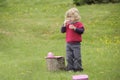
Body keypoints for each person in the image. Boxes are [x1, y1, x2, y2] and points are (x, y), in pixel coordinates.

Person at [61, 8, 85, 72]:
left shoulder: (79, 24)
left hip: (76, 44)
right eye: (68, 17)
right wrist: (64, 25)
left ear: (76, 17)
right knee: (69, 57)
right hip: (68, 44)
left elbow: (82, 31)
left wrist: (75, 28)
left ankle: (78, 68)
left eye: (71, 17)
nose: (69, 18)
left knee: (77, 57)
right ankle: (70, 68)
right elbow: (62, 31)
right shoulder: (67, 24)